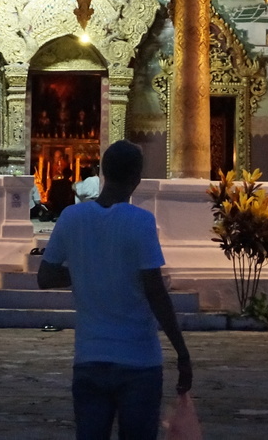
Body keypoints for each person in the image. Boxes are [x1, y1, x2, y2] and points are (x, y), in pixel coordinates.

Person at [39, 140, 192, 440]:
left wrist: (86, 269)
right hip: (138, 358)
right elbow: (155, 292)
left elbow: (45, 277)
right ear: (137, 177)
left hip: (90, 356)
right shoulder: (140, 222)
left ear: (103, 173)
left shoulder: (72, 217)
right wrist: (182, 352)